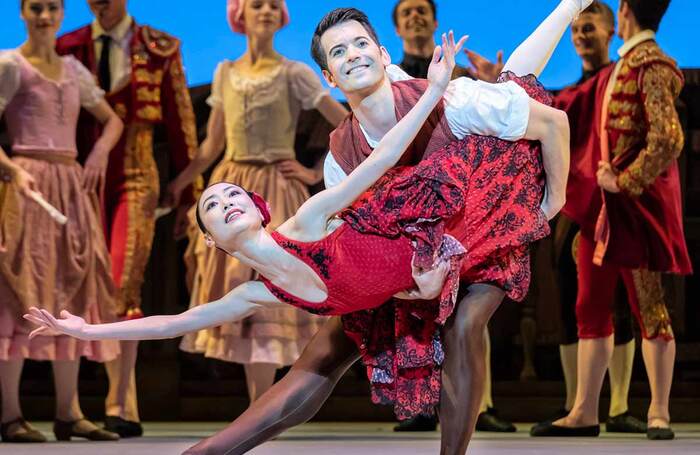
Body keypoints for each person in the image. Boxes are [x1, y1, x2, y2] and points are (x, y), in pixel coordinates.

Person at [25, 2, 578, 450]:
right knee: (320, 357)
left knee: (514, 90)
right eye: (339, 52)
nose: (353, 54)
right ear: (328, 75)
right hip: (405, 250)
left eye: (362, 43)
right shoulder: (306, 211)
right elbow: (174, 321)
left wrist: (547, 207)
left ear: (383, 55)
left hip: (485, 205)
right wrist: (86, 330)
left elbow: (399, 154)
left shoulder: (451, 102)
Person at [167, 0, 348, 404]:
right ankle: (258, 406)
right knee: (238, 292)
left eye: (272, 5)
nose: (265, 11)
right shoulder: (225, 73)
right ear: (240, 16)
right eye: (256, 5)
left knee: (272, 291)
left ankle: (266, 408)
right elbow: (212, 144)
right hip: (230, 185)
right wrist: (179, 185)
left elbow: (345, 122)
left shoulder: (293, 72)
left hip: (273, 190)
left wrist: (312, 171)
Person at [531, 0, 690, 440]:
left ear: (623, 13)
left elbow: (669, 138)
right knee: (591, 305)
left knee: (648, 306)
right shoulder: (631, 63)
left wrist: (624, 180)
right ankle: (584, 409)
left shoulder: (651, 63)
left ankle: (658, 411)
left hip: (634, 210)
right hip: (607, 211)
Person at [56, 0, 200, 437]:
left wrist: (188, 197)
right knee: (75, 283)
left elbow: (181, 123)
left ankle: (122, 402)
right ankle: (72, 407)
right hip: (78, 173)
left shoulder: (159, 46)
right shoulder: (67, 45)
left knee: (124, 281)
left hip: (137, 173)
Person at [0, 0, 123, 443]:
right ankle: (10, 414)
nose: (44, 16)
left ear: (62, 13)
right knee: (22, 289)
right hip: (28, 183)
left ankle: (68, 412)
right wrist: (12, 169)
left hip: (70, 184)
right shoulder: (10, 64)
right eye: (36, 7)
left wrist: (98, 153)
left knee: (70, 287)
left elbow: (112, 121)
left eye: (52, 7)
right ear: (22, 12)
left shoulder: (74, 70)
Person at [390, 0, 515, 434]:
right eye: (407, 13)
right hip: (413, 201)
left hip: (462, 200)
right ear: (398, 26)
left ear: (434, 20)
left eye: (422, 11)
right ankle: (426, 404)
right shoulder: (390, 82)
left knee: (469, 312)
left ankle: (483, 404)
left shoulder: (454, 73)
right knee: (423, 310)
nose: (416, 18)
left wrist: (492, 82)